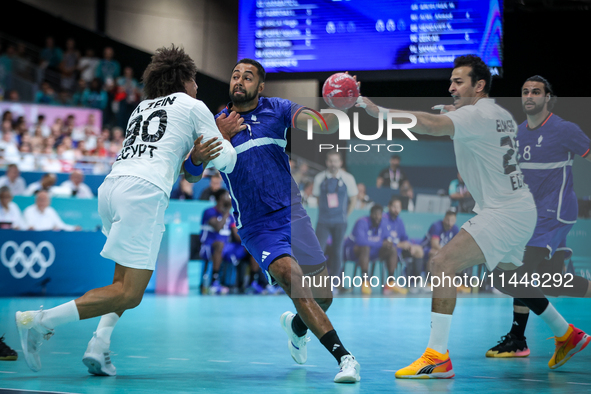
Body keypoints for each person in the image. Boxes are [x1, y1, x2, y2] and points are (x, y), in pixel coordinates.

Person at [358, 54, 589, 378]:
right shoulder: (498, 113)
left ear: (479, 85)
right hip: (520, 208)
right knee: (510, 279)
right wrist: (458, 110)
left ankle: (437, 356)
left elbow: (427, 125)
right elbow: (475, 125)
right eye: (450, 80)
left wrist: (375, 111)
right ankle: (567, 335)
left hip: (504, 211)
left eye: (458, 81)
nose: (451, 87)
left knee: (442, 263)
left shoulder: (475, 117)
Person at [15, 45, 240, 375]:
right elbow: (227, 161)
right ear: (185, 78)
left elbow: (186, 169)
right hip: (143, 195)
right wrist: (224, 138)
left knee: (122, 280)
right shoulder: (193, 106)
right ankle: (39, 322)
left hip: (112, 189)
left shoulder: (142, 108)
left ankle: (99, 345)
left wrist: (196, 156)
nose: (197, 87)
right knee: (129, 292)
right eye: (194, 80)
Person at [214, 58, 360, 382]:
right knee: (296, 283)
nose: (239, 81)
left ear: (260, 86)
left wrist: (340, 107)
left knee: (323, 296)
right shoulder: (217, 123)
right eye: (235, 75)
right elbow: (191, 168)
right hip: (257, 226)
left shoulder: (277, 108)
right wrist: (218, 135)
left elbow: (319, 125)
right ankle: (345, 359)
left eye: (248, 77)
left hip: (292, 214)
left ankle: (296, 327)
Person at [486, 76, 591, 358]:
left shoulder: (563, 129)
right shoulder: (517, 134)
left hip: (553, 216)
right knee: (550, 282)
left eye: (536, 91)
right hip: (528, 217)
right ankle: (519, 339)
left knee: (506, 273)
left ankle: (553, 335)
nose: (529, 96)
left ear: (547, 97)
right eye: (525, 92)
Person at [313, 151, 358, 277]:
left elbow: (353, 199)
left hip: (340, 222)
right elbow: (317, 198)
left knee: (338, 251)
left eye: (336, 161)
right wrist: (325, 212)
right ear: (327, 162)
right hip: (323, 222)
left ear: (340, 162)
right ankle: (318, 281)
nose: (333, 164)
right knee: (318, 251)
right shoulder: (319, 178)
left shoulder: (348, 178)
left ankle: (335, 281)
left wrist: (345, 215)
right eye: (331, 161)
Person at [343, 204, 397, 295]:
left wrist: (389, 242)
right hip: (353, 251)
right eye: (375, 214)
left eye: (379, 214)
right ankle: (365, 282)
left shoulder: (383, 223)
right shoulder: (361, 222)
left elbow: (388, 238)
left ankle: (390, 282)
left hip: (373, 252)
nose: (377, 217)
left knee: (392, 249)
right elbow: (360, 241)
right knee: (365, 248)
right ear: (371, 214)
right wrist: (380, 243)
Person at [199, 189, 242, 295]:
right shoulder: (209, 212)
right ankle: (215, 281)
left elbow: (236, 236)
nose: (229, 198)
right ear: (220, 199)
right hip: (208, 246)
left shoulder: (231, 217)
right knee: (219, 244)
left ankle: (253, 283)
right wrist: (227, 212)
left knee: (250, 248)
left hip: (226, 247)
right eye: (226, 196)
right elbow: (218, 227)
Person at [383, 196, 424, 295]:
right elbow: (384, 239)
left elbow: (405, 238)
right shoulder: (383, 219)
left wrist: (409, 246)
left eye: (398, 207)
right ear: (389, 207)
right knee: (392, 249)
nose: (396, 209)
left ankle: (416, 283)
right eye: (394, 207)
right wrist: (399, 244)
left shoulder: (400, 221)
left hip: (400, 250)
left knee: (418, 250)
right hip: (388, 250)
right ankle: (390, 283)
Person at [421, 209, 459, 277]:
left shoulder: (455, 229)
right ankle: (429, 280)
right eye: (448, 220)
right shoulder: (436, 226)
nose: (449, 223)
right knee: (436, 254)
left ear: (455, 220)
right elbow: (434, 245)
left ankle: (459, 281)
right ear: (444, 218)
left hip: (443, 251)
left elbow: (456, 245)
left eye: (452, 221)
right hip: (427, 248)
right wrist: (447, 252)